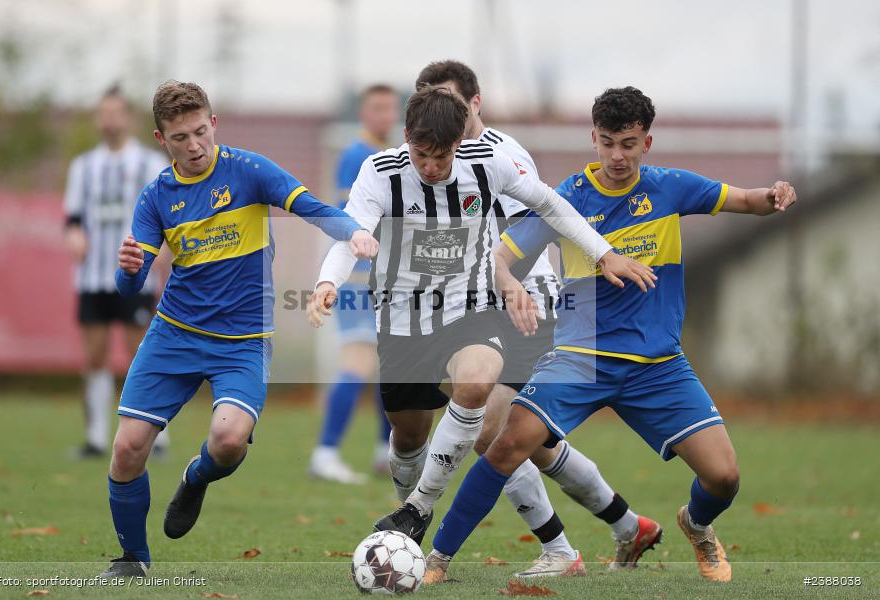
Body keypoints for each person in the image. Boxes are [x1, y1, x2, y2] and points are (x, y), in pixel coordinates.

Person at [426, 86, 797, 584]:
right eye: (607, 143)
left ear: (647, 141)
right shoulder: (569, 199)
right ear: (593, 139)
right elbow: (498, 258)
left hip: (658, 366)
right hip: (580, 358)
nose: (617, 155)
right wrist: (511, 285)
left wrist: (773, 198)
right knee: (508, 443)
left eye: (628, 143)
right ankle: (438, 560)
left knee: (724, 477)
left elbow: (746, 200)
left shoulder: (671, 187)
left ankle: (697, 524)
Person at [307, 86, 654, 552]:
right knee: (408, 439)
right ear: (406, 136)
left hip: (472, 310)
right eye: (421, 155)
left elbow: (549, 205)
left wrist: (603, 253)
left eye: (442, 157)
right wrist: (328, 282)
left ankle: (422, 510)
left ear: (461, 141)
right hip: (402, 324)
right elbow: (350, 232)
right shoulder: (381, 171)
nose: (430, 167)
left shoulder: (488, 163)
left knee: (482, 392)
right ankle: (411, 517)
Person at [100, 80, 378, 578]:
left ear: (214, 123)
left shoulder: (248, 171)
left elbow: (313, 208)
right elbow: (130, 289)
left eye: (201, 131)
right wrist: (125, 270)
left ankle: (196, 477)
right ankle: (132, 561)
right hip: (174, 334)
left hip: (243, 341)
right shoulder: (156, 198)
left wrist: (353, 230)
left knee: (228, 441)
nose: (194, 145)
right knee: (126, 447)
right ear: (161, 140)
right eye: (181, 137)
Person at [413, 61, 662, 577]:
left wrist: (502, 281)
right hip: (481, 310)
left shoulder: (502, 157)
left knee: (499, 434)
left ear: (473, 105)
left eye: (449, 103)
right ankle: (625, 526)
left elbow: (538, 225)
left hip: (528, 306)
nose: (438, 116)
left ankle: (562, 551)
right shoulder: (436, 164)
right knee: (524, 440)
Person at [63, 84, 170, 459]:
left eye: (116, 112)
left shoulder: (150, 165)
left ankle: (156, 433)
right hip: (92, 276)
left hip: (136, 274)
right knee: (93, 356)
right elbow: (73, 219)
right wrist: (75, 236)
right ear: (98, 118)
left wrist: (166, 254)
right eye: (103, 112)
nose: (109, 119)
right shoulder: (83, 167)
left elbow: (167, 216)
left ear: (127, 117)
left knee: (140, 351)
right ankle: (95, 438)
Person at [309, 84, 398, 484]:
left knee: (388, 367)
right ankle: (325, 452)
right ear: (364, 113)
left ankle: (386, 451)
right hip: (358, 282)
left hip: (386, 283)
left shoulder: (388, 154)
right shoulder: (356, 155)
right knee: (359, 363)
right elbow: (353, 219)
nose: (385, 115)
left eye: (390, 108)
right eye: (376, 107)